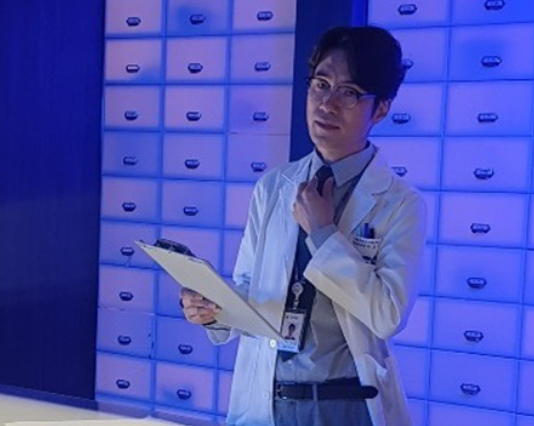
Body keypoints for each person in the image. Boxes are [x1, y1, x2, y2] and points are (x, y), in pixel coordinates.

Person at [180, 26, 426, 426]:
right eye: (321, 85)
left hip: (344, 406)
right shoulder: (273, 187)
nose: (327, 104)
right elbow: (249, 287)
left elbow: (387, 315)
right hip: (269, 402)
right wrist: (212, 309)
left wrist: (324, 234)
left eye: (349, 92)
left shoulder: (401, 204)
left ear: (380, 109)